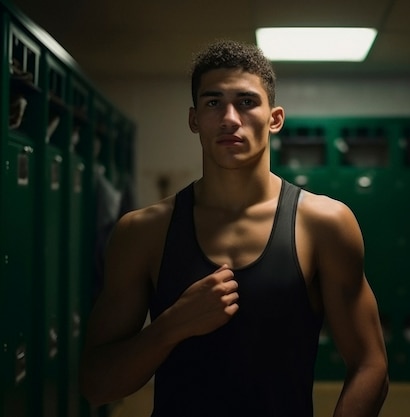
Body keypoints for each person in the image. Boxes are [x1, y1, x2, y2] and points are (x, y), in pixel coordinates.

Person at [79, 39, 389, 417]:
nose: (229, 117)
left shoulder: (325, 225)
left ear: (274, 118)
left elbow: (370, 364)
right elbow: (96, 385)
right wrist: (171, 326)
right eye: (213, 103)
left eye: (246, 102)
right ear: (194, 120)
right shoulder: (143, 232)